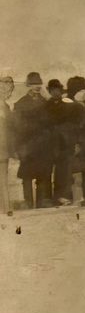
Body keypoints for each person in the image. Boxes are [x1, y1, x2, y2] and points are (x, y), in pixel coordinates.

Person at [14, 73, 54, 208]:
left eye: (39, 83)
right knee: (27, 175)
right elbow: (17, 127)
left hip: (43, 144)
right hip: (28, 145)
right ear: (28, 85)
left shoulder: (46, 102)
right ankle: (28, 202)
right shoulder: (21, 103)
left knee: (43, 173)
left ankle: (42, 201)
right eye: (34, 83)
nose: (37, 86)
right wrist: (19, 147)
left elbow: (53, 120)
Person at [0, 75, 13, 214]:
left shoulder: (6, 107)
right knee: (3, 178)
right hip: (3, 148)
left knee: (3, 178)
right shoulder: (5, 107)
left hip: (3, 148)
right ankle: (5, 208)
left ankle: (5, 208)